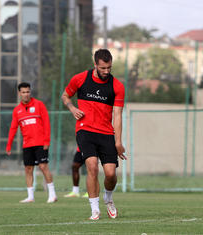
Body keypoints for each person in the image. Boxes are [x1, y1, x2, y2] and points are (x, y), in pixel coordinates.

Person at [61, 49, 126, 220]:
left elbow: (118, 115)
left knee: (111, 174)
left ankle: (108, 199)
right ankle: (94, 209)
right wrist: (72, 108)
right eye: (103, 68)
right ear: (95, 64)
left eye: (109, 68)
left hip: (106, 133)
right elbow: (65, 95)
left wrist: (118, 141)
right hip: (85, 130)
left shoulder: (117, 86)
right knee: (91, 167)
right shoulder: (80, 78)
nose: (106, 71)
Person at [6, 82, 57, 203]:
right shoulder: (17, 110)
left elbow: (46, 124)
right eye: (23, 92)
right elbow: (13, 128)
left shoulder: (39, 105)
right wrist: (9, 144)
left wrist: (47, 141)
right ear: (19, 93)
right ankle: (30, 196)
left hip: (40, 143)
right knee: (28, 169)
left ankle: (52, 194)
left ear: (30, 92)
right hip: (27, 144)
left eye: (28, 92)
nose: (26, 94)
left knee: (43, 167)